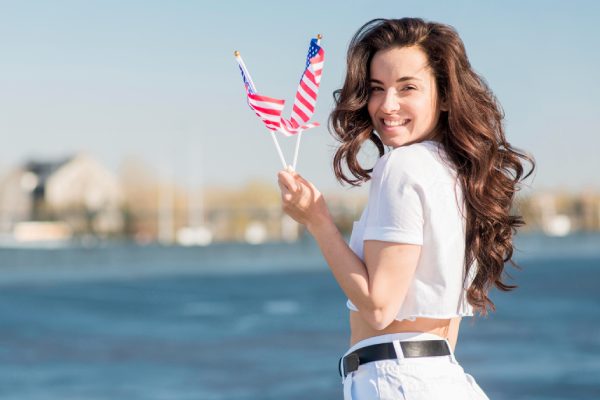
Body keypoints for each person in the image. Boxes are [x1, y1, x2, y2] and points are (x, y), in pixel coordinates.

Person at [277, 17, 535, 399]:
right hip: (437, 376)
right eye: (377, 89)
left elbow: (379, 309)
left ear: (445, 95)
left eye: (407, 87)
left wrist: (317, 221)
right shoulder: (460, 174)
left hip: (397, 380)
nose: (387, 104)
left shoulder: (403, 165)